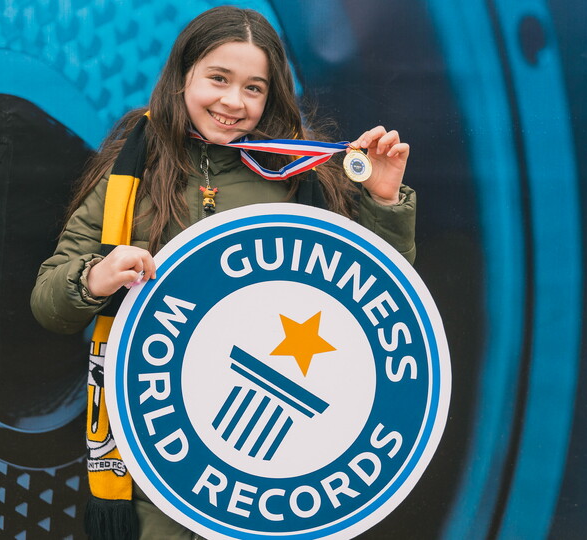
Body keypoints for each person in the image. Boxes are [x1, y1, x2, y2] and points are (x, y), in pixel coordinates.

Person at [31, 6, 415, 539]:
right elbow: (48, 303)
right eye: (218, 78)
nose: (234, 102)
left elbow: (373, 305)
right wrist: (96, 278)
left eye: (254, 88)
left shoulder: (301, 178)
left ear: (271, 95)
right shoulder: (132, 174)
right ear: (182, 76)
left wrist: (383, 199)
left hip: (272, 474)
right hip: (154, 461)